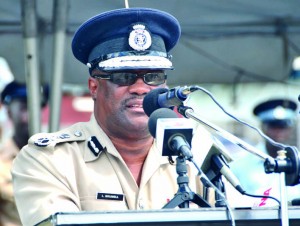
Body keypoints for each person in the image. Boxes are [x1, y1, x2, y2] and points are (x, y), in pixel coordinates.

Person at [11, 8, 216, 226]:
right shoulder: (47, 159)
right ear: (94, 87)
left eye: (153, 76)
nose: (141, 88)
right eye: (124, 76)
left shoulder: (197, 149)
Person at [228, 98, 300, 207]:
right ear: (263, 127)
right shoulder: (239, 164)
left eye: (283, 126)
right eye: (273, 126)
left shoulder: (298, 163)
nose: (278, 132)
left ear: (290, 129)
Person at [0, 81, 48, 226]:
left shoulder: (53, 158)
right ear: (9, 112)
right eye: (23, 108)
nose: (29, 117)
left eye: (34, 109)